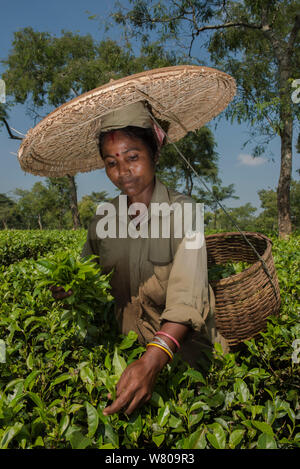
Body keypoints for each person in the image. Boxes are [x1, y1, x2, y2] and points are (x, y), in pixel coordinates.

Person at [51, 101, 228, 416]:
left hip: (189, 364)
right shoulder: (103, 220)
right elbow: (88, 278)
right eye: (111, 162)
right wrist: (70, 290)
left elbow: (187, 297)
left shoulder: (184, 213)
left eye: (133, 157)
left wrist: (153, 358)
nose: (122, 171)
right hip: (131, 362)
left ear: (155, 154)